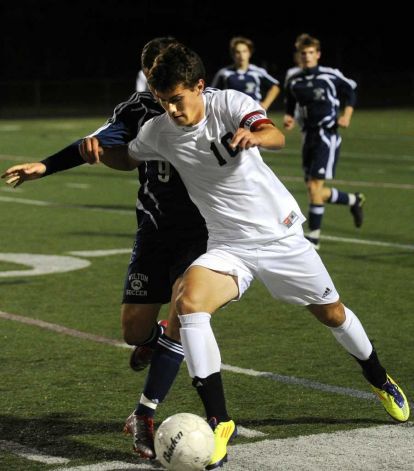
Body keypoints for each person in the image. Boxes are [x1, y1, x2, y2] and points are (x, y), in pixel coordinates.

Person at [91, 42, 409, 470]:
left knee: (333, 314)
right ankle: (220, 420)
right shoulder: (159, 129)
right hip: (229, 246)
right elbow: (126, 157)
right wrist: (94, 151)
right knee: (187, 302)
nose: (170, 109)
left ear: (200, 87)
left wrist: (253, 135)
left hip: (281, 239)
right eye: (163, 101)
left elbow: (274, 133)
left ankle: (378, 378)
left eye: (178, 99)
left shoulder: (229, 103)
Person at [1, 37, 208, 460]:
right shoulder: (135, 110)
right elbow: (93, 142)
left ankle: (145, 415)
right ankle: (153, 341)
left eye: (162, 78)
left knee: (185, 315)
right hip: (152, 229)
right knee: (134, 329)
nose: (157, 89)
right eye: (152, 80)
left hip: (203, 232)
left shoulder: (206, 102)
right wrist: (46, 165)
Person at [284, 33, 365, 250]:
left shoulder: (330, 75)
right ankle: (353, 200)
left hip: (326, 135)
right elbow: (291, 103)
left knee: (314, 187)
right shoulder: (294, 80)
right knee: (314, 190)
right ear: (298, 56)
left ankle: (314, 239)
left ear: (318, 54)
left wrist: (346, 115)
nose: (307, 57)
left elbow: (351, 92)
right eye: (303, 53)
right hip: (307, 136)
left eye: (311, 53)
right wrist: (289, 117)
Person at [211, 36, 280, 110]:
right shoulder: (224, 73)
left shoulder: (257, 72)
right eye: (238, 52)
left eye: (244, 51)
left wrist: (265, 104)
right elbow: (212, 93)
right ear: (233, 54)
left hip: (253, 112)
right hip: (231, 114)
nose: (241, 55)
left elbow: (275, 87)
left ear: (249, 53)